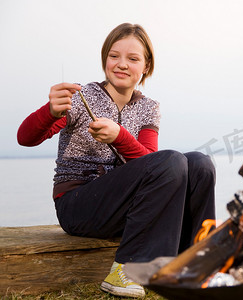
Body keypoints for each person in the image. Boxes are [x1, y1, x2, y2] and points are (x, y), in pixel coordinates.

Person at [17, 23, 216, 298]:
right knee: (171, 160)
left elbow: (151, 160)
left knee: (199, 163)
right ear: (105, 60)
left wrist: (119, 136)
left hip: (127, 206)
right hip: (78, 205)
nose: (121, 64)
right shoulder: (81, 98)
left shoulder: (149, 107)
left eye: (133, 59)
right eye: (114, 56)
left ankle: (195, 262)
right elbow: (26, 138)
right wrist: (50, 111)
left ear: (146, 66)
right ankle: (125, 272)